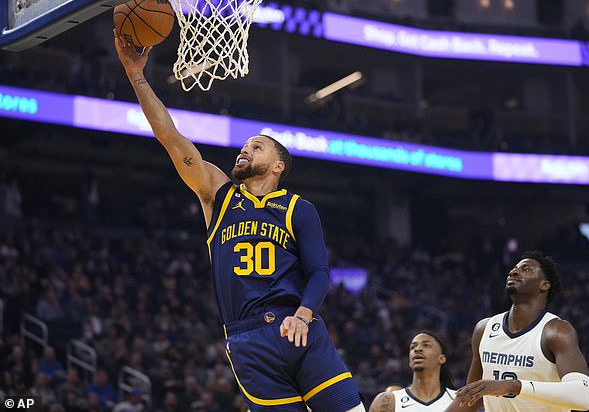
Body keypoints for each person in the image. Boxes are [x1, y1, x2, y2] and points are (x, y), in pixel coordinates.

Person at [114, 31, 364, 412]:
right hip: (247, 340)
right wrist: (136, 75)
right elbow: (169, 135)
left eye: (257, 146)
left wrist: (303, 314)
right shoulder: (217, 193)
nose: (246, 149)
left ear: (278, 165)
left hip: (297, 326)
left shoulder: (298, 208)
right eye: (245, 145)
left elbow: (319, 272)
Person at [444, 250, 589, 412]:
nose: (513, 271)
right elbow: (470, 398)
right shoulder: (484, 329)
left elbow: (583, 396)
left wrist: (513, 386)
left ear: (544, 284)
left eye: (526, 269)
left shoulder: (556, 331)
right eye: (515, 268)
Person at [369, 331, 456, 411]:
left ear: (441, 358)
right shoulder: (388, 401)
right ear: (410, 362)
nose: (417, 349)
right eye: (413, 347)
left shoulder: (457, 399)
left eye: (426, 345)